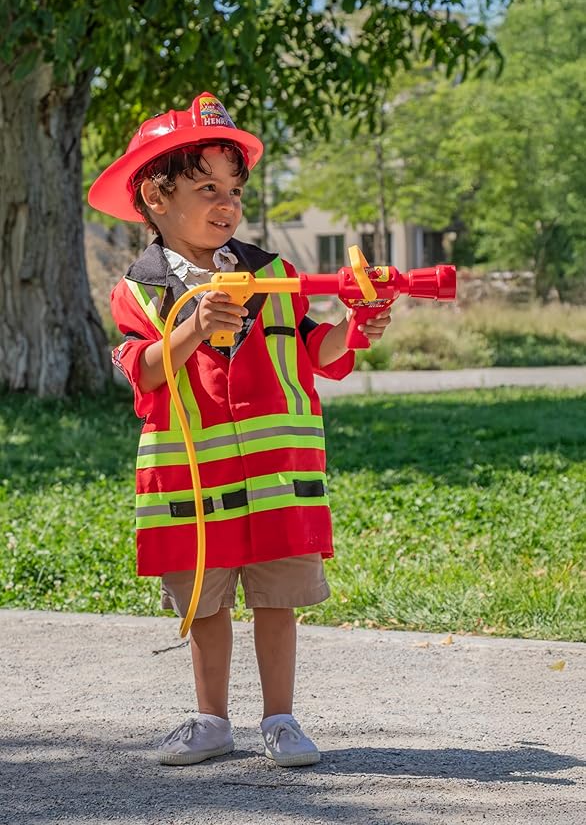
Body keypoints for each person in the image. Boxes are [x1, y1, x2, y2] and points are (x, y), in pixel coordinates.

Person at [88, 92, 392, 768]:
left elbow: (317, 348)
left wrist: (356, 328)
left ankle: (280, 719)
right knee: (205, 600)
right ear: (155, 198)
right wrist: (195, 326)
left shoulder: (274, 273)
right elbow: (144, 371)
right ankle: (211, 719)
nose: (228, 203)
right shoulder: (137, 291)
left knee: (277, 597)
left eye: (235, 189)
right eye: (207, 188)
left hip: (275, 475)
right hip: (193, 479)